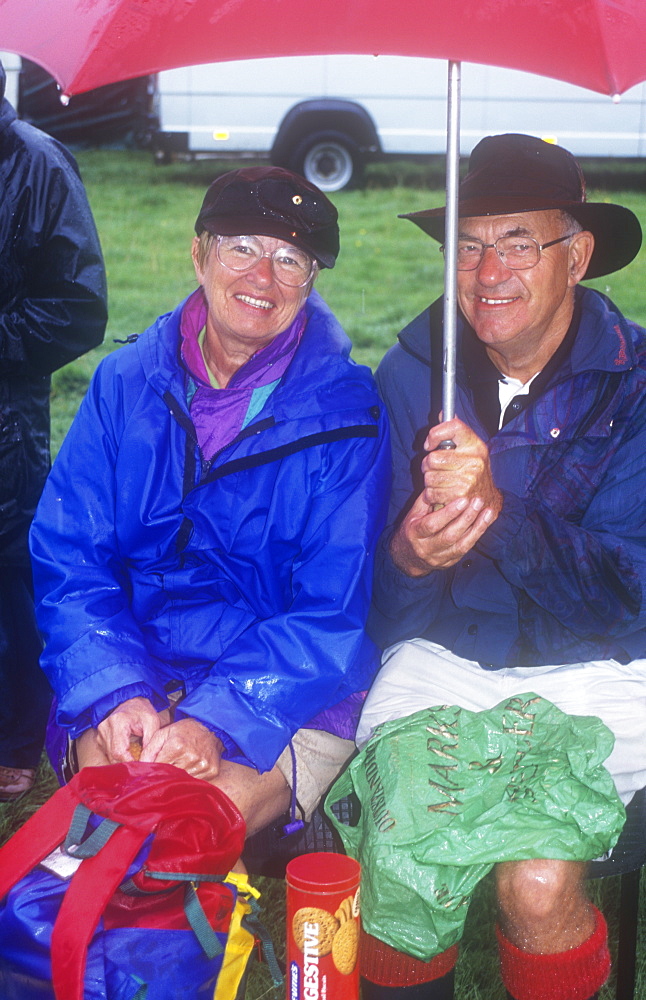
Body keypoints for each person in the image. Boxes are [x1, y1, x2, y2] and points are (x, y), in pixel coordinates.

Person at [357, 134, 646, 1000]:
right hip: (445, 670)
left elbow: (630, 598)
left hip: (605, 679)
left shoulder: (637, 386)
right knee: (402, 854)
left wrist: (499, 516)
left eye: (518, 240)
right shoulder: (410, 379)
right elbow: (374, 612)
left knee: (538, 880)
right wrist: (407, 559)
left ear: (578, 254)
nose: (488, 272)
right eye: (469, 244)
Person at [29, 166, 390, 855]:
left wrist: (214, 721)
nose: (264, 276)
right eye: (243, 247)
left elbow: (328, 613)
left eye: (291, 260)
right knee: (104, 825)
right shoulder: (124, 383)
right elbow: (71, 555)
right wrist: (117, 691)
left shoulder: (349, 416)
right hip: (135, 658)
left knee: (182, 833)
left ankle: (168, 940)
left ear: (311, 283)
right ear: (199, 254)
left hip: (280, 688)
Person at [0, 59, 107, 801]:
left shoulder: (35, 163)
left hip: (3, 429)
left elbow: (77, 309)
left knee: (11, 582)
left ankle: (12, 738)